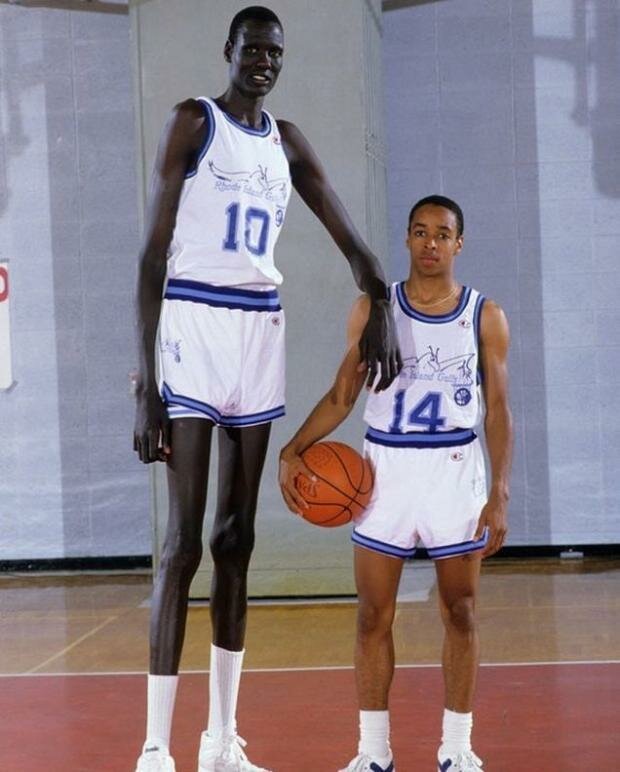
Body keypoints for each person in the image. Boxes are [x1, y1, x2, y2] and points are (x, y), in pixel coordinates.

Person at [132, 6, 401, 772]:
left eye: (274, 52)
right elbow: (152, 258)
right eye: (253, 49)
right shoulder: (195, 121)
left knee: (235, 541)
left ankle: (223, 738)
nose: (264, 62)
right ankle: (156, 745)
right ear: (229, 51)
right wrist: (144, 386)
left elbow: (351, 242)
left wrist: (379, 302)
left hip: (258, 331)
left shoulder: (285, 142)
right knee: (182, 544)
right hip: (193, 323)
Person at [280, 195, 513, 772]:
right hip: (385, 473)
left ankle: (456, 749)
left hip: (454, 473)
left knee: (460, 611)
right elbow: (342, 396)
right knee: (371, 616)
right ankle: (373, 753)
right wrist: (294, 448)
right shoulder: (374, 310)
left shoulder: (485, 315)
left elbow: (499, 409)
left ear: (459, 243)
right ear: (407, 240)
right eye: (419, 232)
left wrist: (499, 490)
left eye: (442, 234)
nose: (430, 243)